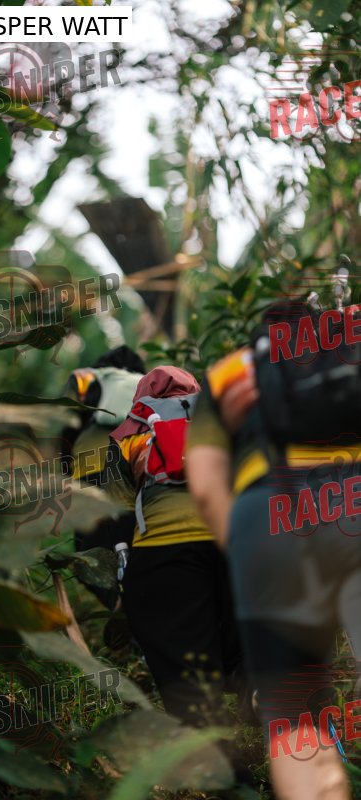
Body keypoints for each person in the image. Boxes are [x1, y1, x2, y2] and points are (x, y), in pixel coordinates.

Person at [186, 299, 361, 800]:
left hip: (264, 519)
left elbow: (205, 488)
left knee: (295, 719)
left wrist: (248, 555)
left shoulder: (228, 373)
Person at [102, 365, 245, 727]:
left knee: (181, 655)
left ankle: (212, 743)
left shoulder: (129, 432)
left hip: (163, 548)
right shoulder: (220, 417)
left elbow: (116, 509)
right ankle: (256, 692)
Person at [60, 345, 146, 611]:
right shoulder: (147, 385)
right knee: (133, 541)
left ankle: (116, 603)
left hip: (90, 466)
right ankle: (140, 605)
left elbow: (66, 429)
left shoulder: (87, 381)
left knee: (88, 550)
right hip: (135, 466)